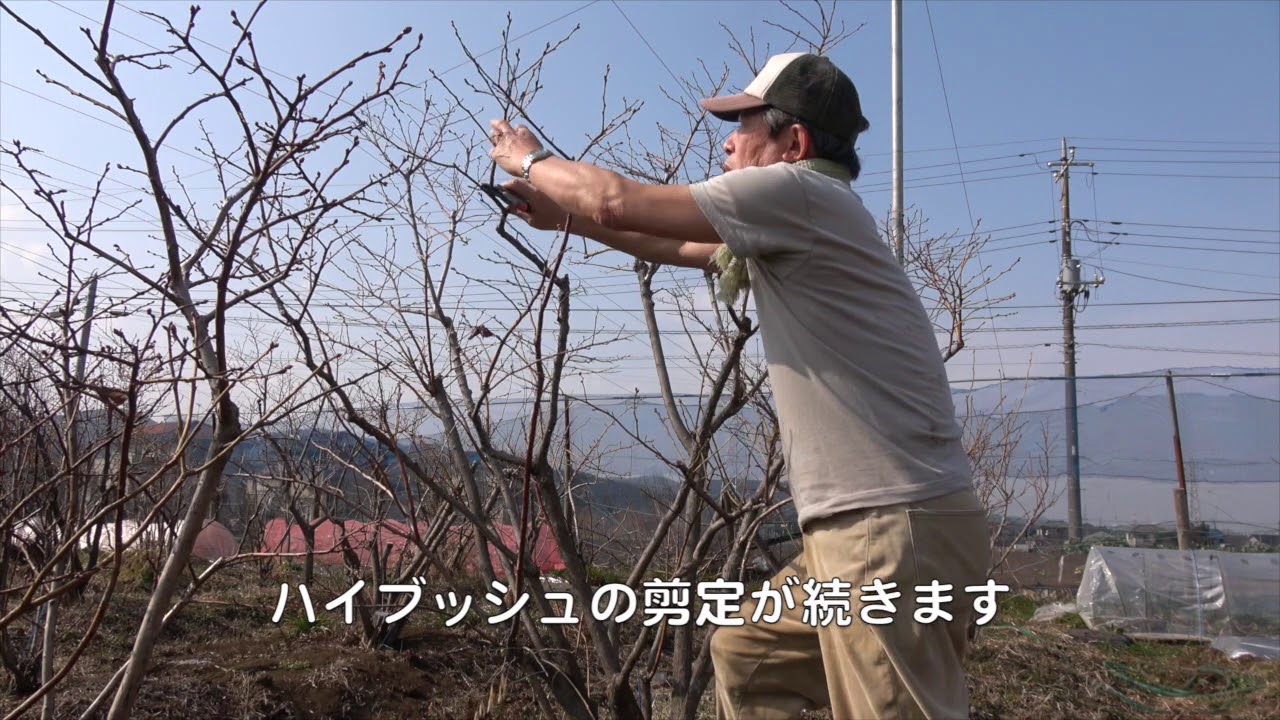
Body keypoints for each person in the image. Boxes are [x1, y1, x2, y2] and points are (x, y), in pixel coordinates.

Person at [488, 52, 992, 720]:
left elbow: (616, 198)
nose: (726, 139)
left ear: (795, 142)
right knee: (748, 652)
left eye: (742, 122)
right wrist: (566, 220)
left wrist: (530, 161)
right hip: (865, 528)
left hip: (888, 528)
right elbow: (672, 244)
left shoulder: (799, 194)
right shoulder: (805, 216)